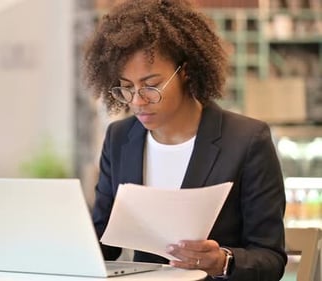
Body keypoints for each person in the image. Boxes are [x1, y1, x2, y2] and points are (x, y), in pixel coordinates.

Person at [83, 0, 287, 280]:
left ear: (186, 71)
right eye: (127, 88)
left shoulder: (247, 141)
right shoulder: (120, 138)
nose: (138, 101)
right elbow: (103, 243)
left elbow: (271, 258)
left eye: (152, 85)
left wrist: (222, 262)